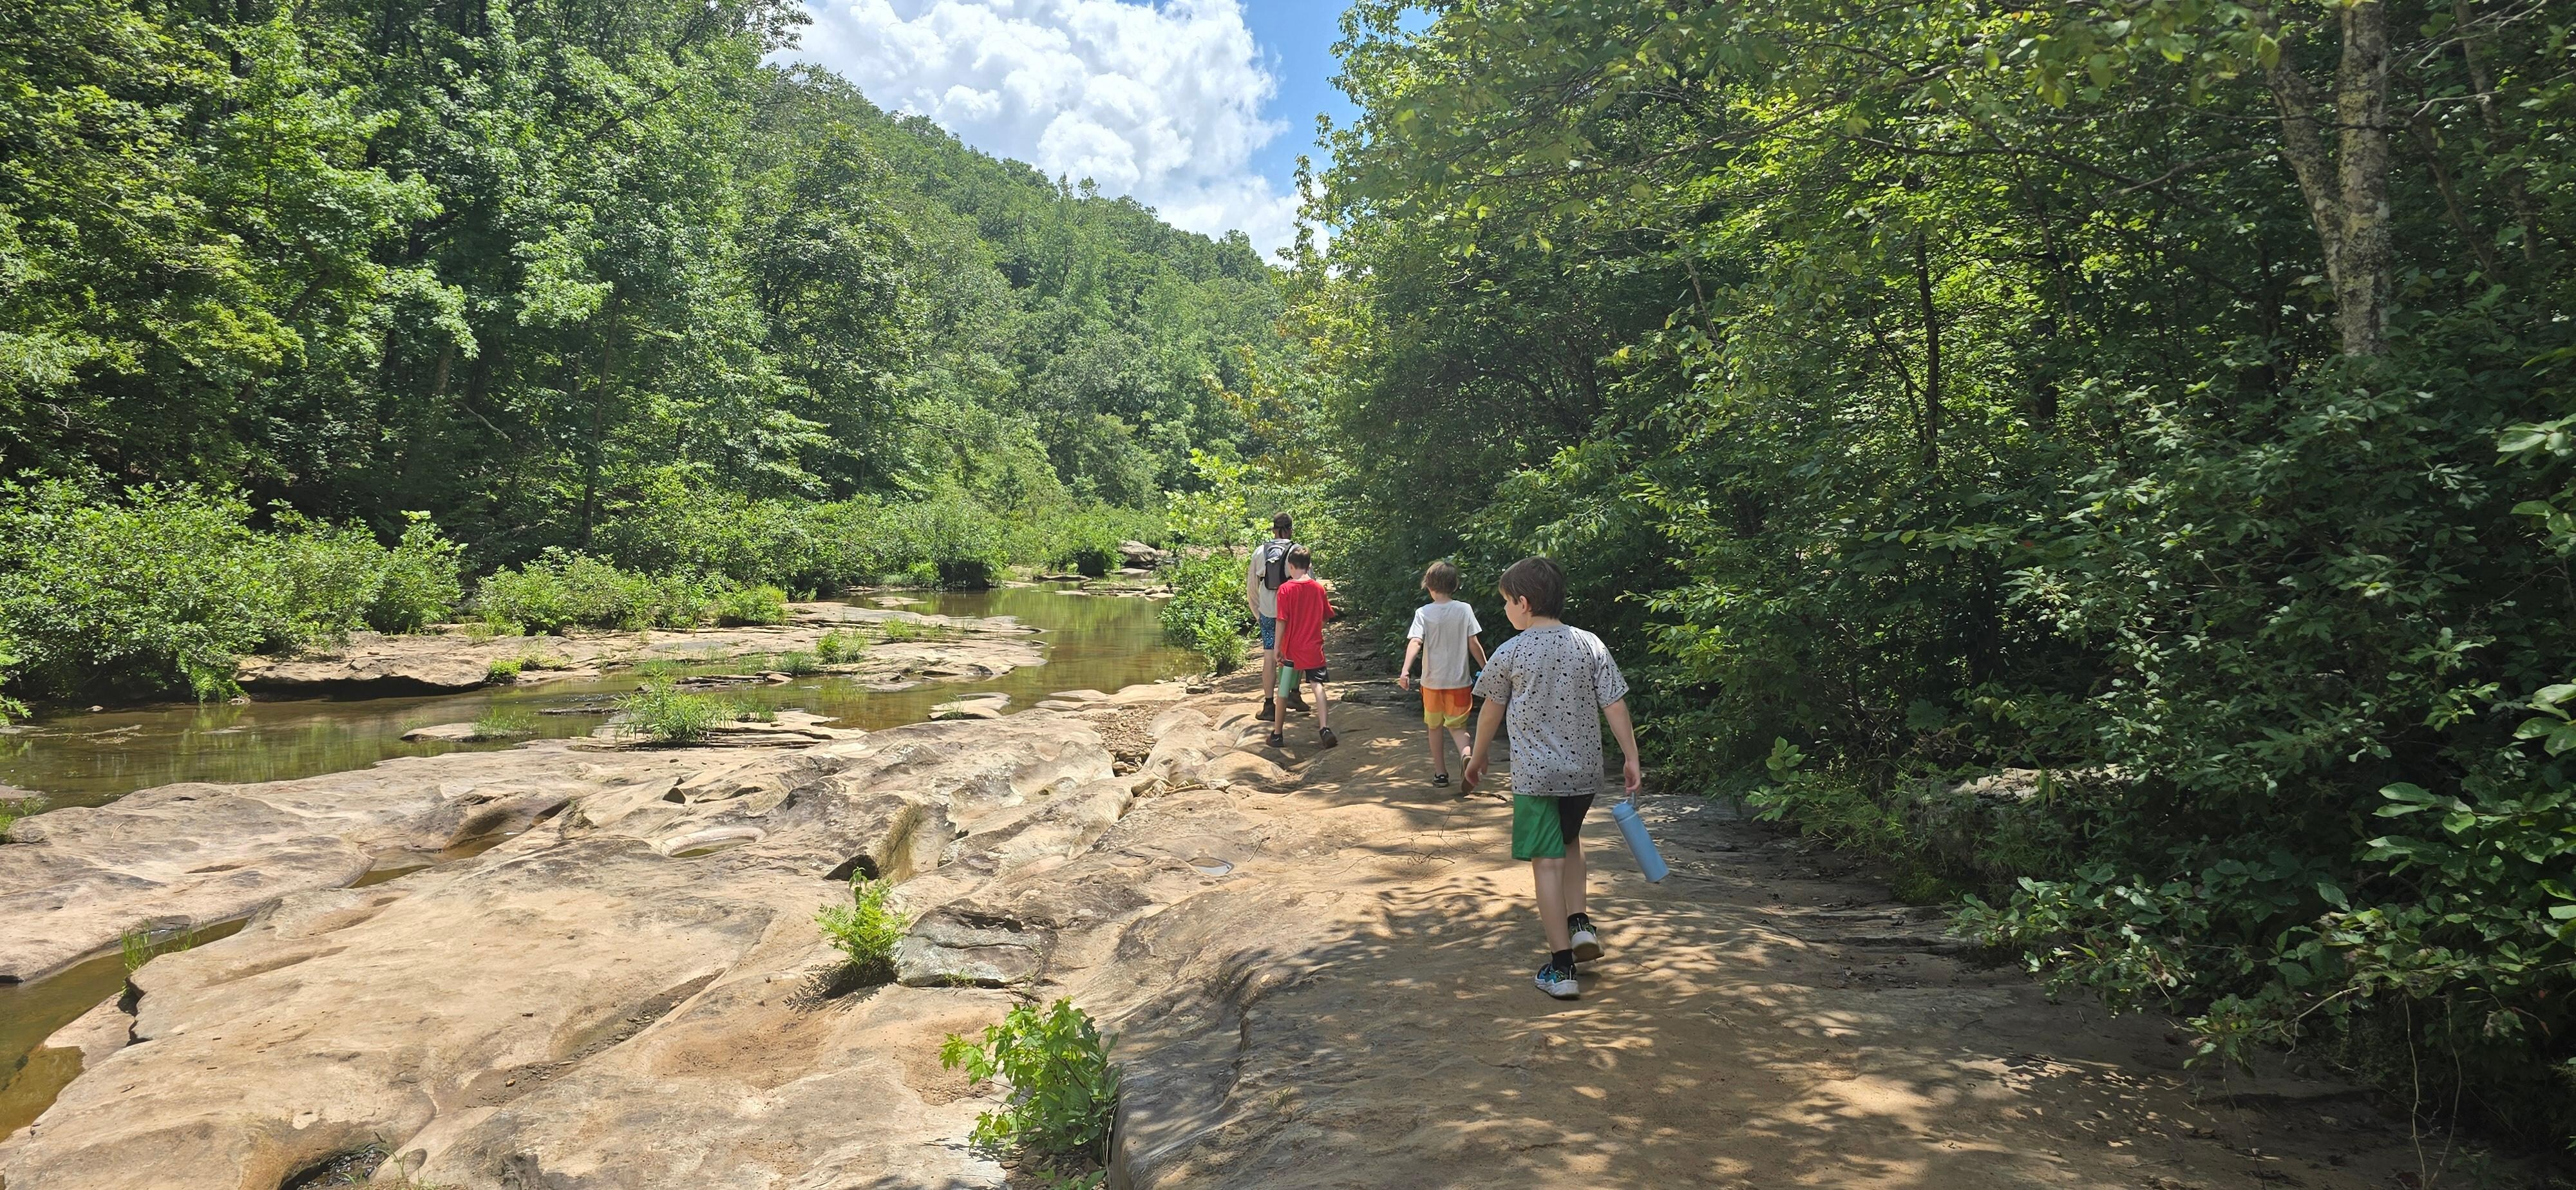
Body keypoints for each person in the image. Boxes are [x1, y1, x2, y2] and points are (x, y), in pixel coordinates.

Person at [1461, 556, 1642, 1000]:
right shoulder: (1589, 643)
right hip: (1584, 773)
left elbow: (1490, 712)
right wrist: (1631, 757)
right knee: (1570, 840)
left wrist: (1477, 759)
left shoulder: (1511, 651)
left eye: (1506, 602)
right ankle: (1579, 923)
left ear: (1524, 603)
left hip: (1536, 777)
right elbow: (1614, 704)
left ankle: (1561, 969)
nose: (1505, 609)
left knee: (1546, 862)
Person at [1396, 560, 1488, 790]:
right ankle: (1466, 755)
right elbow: (1473, 643)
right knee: (1458, 727)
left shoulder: (1423, 613)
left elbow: (1416, 642)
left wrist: (1405, 670)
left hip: (1432, 683)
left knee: (1435, 727)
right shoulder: (1464, 609)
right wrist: (1487, 668)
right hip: (1459, 683)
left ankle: (1440, 774)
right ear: (1455, 585)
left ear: (1428, 585)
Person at [1267, 545, 1338, 750]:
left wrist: (1277, 647)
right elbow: (1326, 616)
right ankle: (1325, 729)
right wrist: (1314, 630)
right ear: (1309, 566)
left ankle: (1278, 734)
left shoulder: (1285, 589)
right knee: (1318, 685)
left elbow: (1281, 620)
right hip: (1313, 647)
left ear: (1290, 566)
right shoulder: (1318, 589)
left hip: (1291, 648)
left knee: (1283, 690)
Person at [1244, 513, 1308, 721]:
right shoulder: (1298, 551)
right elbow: (1309, 583)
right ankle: (1294, 695)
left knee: (1269, 656)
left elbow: (1252, 588)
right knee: (1294, 654)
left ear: (1273, 530)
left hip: (1268, 612)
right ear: (1291, 530)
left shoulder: (1260, 552)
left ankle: (1269, 705)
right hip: (1292, 614)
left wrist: (1259, 613)